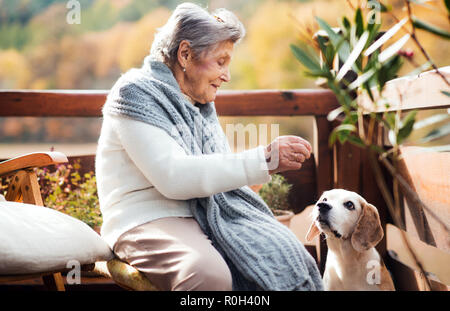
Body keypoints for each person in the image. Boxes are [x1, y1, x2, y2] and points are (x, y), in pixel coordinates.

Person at [96, 2, 323, 291]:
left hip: (201, 214)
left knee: (286, 256)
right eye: (221, 62)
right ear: (185, 54)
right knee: (208, 276)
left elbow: (216, 175)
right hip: (144, 220)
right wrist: (264, 159)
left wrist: (252, 181)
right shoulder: (134, 93)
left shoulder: (199, 104)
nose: (226, 76)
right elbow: (173, 177)